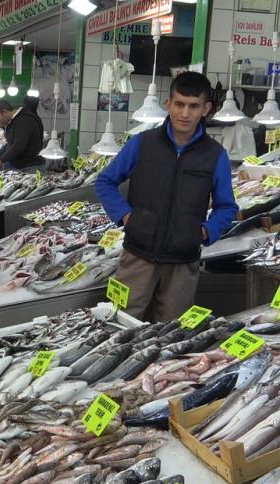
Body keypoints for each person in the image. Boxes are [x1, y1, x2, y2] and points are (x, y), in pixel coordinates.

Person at [94, 71, 238, 322]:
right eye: (179, 104)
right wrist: (127, 217)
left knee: (172, 332)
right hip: (136, 256)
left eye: (194, 106)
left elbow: (226, 207)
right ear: (168, 103)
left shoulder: (215, 155)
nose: (185, 113)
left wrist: (204, 232)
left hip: (183, 263)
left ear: (206, 109)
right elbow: (105, 181)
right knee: (118, 321)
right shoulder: (142, 143)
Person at [0, 99, 45, 171]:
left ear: (5, 112)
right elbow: (11, 143)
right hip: (21, 166)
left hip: (30, 167)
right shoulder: (14, 121)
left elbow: (18, 146)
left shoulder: (24, 120)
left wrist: (1, 159)